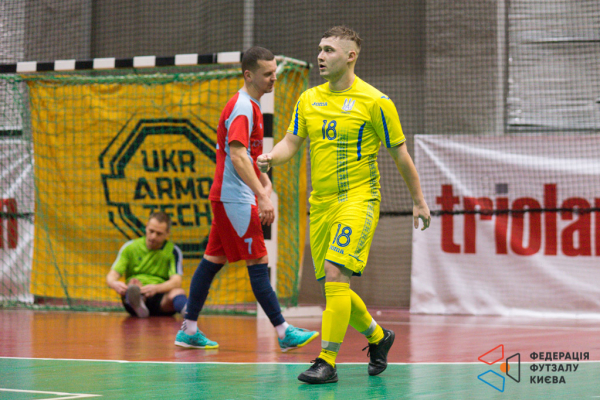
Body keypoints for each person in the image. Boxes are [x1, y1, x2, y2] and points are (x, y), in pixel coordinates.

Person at [257, 26, 431, 384]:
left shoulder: (376, 102)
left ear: (351, 56)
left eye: (330, 50)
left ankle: (327, 360)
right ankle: (379, 336)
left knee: (336, 274)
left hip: (358, 199)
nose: (321, 56)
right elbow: (291, 142)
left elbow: (400, 154)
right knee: (334, 287)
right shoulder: (309, 99)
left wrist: (419, 201)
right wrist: (272, 157)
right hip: (320, 204)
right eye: (320, 49)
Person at [174, 46, 319, 351]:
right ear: (248, 75)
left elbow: (247, 156)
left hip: (229, 197)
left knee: (212, 261)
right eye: (267, 74)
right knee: (258, 260)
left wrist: (264, 182)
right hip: (234, 199)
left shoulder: (252, 105)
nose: (274, 78)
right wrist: (262, 196)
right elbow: (238, 155)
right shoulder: (242, 107)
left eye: (275, 72)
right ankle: (283, 331)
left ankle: (188, 329)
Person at [106, 212, 188, 318]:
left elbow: (176, 282)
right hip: (136, 294)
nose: (153, 237)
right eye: (151, 231)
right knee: (133, 286)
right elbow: (111, 276)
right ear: (146, 227)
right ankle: (139, 304)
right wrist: (114, 284)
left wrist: (156, 288)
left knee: (178, 292)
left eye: (159, 234)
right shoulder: (130, 247)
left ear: (167, 233)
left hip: (161, 298)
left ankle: (189, 314)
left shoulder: (173, 251)